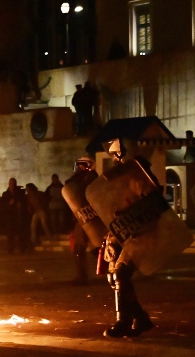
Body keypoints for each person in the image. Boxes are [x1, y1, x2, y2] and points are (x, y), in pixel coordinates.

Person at [101, 139, 155, 337]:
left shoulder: (141, 177)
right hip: (121, 233)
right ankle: (140, 318)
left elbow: (152, 203)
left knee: (121, 274)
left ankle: (123, 321)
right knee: (113, 277)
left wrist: (128, 213)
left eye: (116, 155)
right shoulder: (120, 180)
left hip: (140, 233)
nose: (114, 160)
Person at [65, 157, 99, 285]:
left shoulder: (93, 179)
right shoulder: (77, 180)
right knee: (81, 247)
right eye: (78, 165)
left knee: (93, 247)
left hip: (90, 216)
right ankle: (82, 274)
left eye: (81, 165)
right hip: (81, 216)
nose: (78, 168)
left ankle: (115, 269)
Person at [2, 178, 28, 254]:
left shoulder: (19, 193)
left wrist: (20, 205)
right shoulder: (5, 194)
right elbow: (2, 205)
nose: (13, 185)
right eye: (11, 183)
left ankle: (21, 248)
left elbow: (23, 201)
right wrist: (9, 204)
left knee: (20, 233)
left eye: (14, 183)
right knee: (10, 233)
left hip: (18, 215)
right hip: (10, 216)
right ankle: (10, 249)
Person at [26, 183, 50, 247]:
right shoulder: (29, 196)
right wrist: (29, 207)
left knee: (44, 224)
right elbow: (29, 203)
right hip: (36, 211)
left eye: (27, 188)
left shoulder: (38, 194)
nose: (26, 189)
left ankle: (48, 235)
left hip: (41, 210)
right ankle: (33, 239)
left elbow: (44, 201)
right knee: (33, 225)